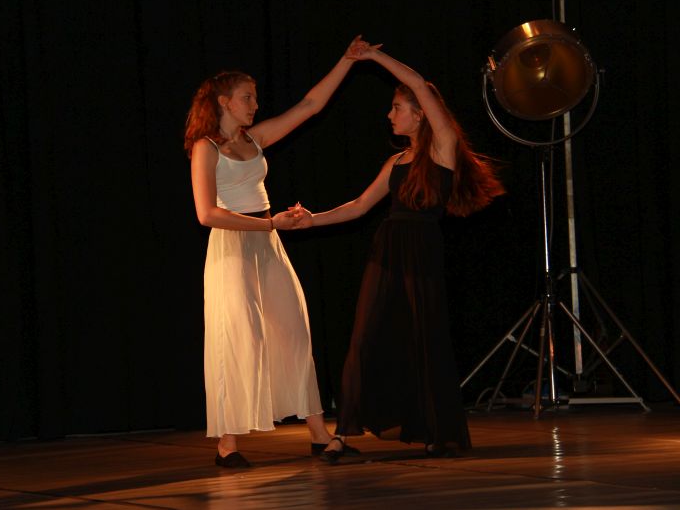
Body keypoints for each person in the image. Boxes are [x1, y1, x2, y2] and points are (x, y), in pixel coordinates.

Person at [293, 38, 505, 463]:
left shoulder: (442, 148)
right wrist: (310, 219)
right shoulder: (395, 163)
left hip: (422, 250)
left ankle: (436, 431)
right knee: (364, 338)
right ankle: (342, 433)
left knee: (424, 340)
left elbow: (420, 85)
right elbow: (358, 206)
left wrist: (374, 56)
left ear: (419, 114)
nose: (390, 115)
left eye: (396, 108)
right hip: (386, 252)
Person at [184, 36, 370, 468]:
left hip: (268, 242)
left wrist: (346, 60)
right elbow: (207, 214)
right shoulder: (206, 148)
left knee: (293, 330)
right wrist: (270, 223)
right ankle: (227, 444)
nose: (255, 104)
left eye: (254, 97)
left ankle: (319, 434)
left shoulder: (254, 139)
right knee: (238, 336)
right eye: (247, 97)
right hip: (233, 246)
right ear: (225, 102)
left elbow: (309, 106)